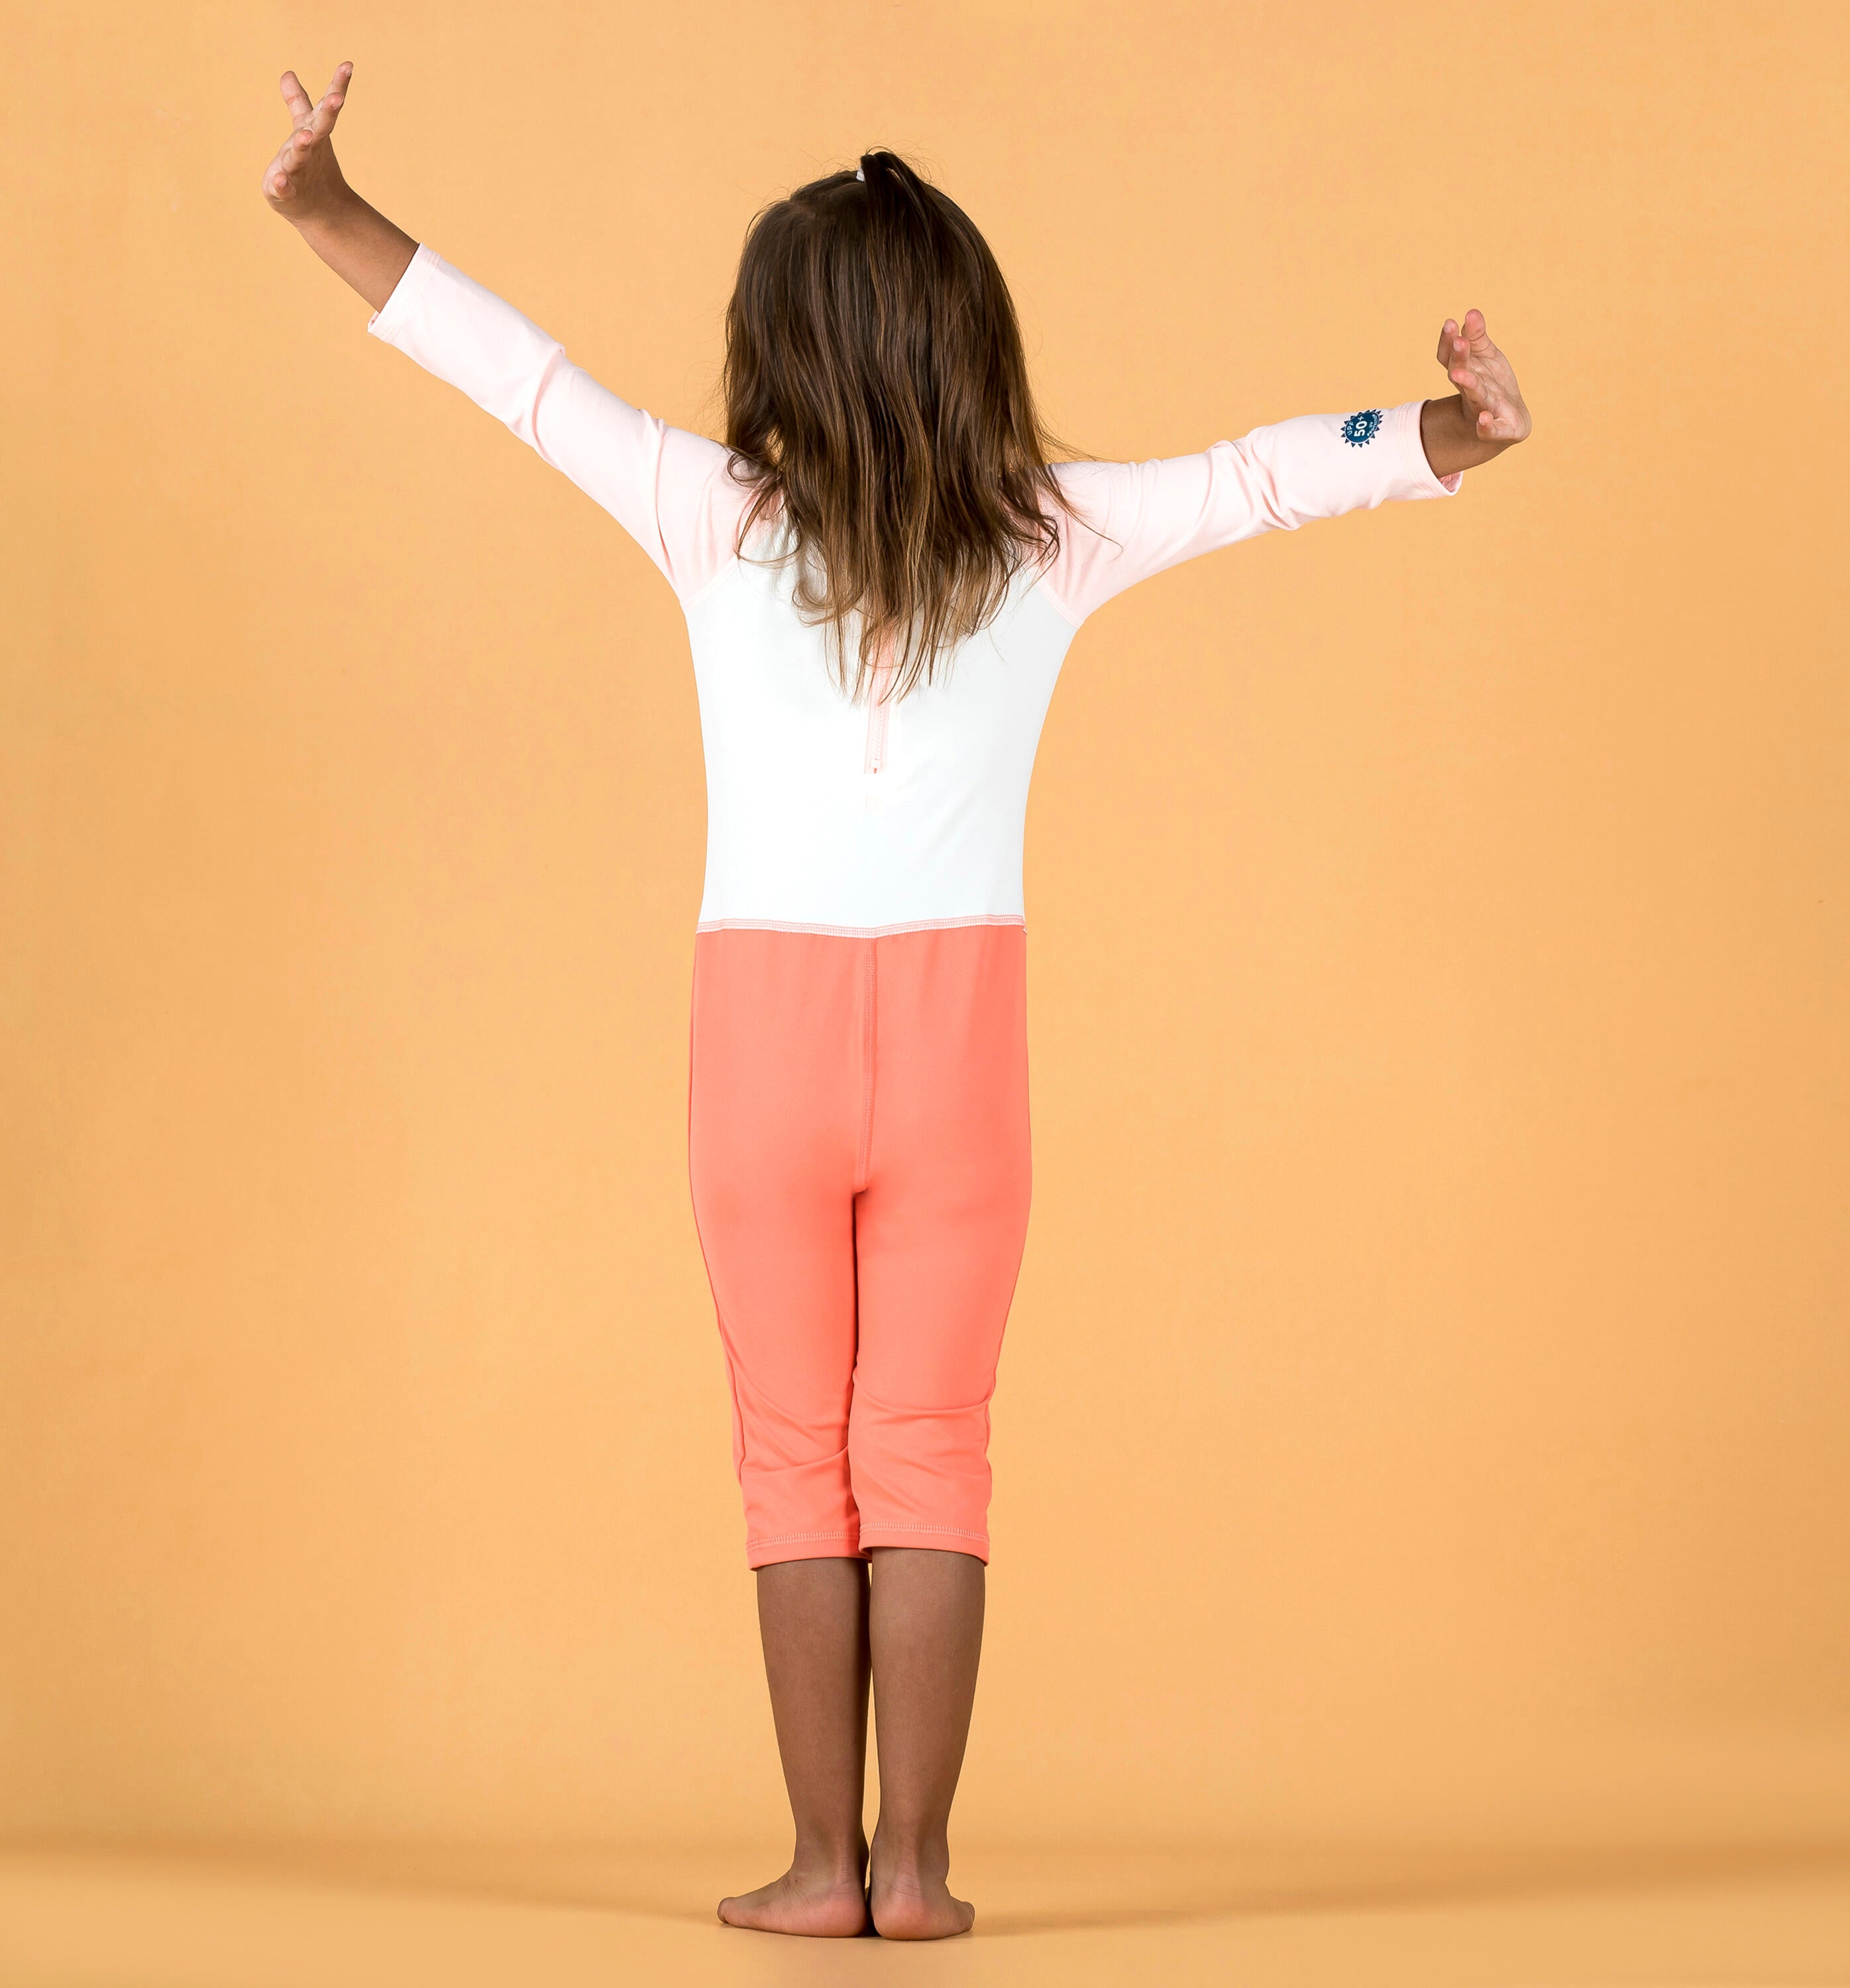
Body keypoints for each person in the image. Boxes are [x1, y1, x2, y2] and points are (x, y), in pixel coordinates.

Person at [262, 60, 1531, 1942]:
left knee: (796, 1452)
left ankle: (818, 1870)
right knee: (929, 1446)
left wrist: (321, 205)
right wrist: (1456, 428)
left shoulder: (711, 516)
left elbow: (514, 373)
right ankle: (921, 1875)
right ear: (972, 343)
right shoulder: (1054, 532)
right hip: (963, 1056)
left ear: (774, 348)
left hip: (759, 1051)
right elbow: (1267, 478)